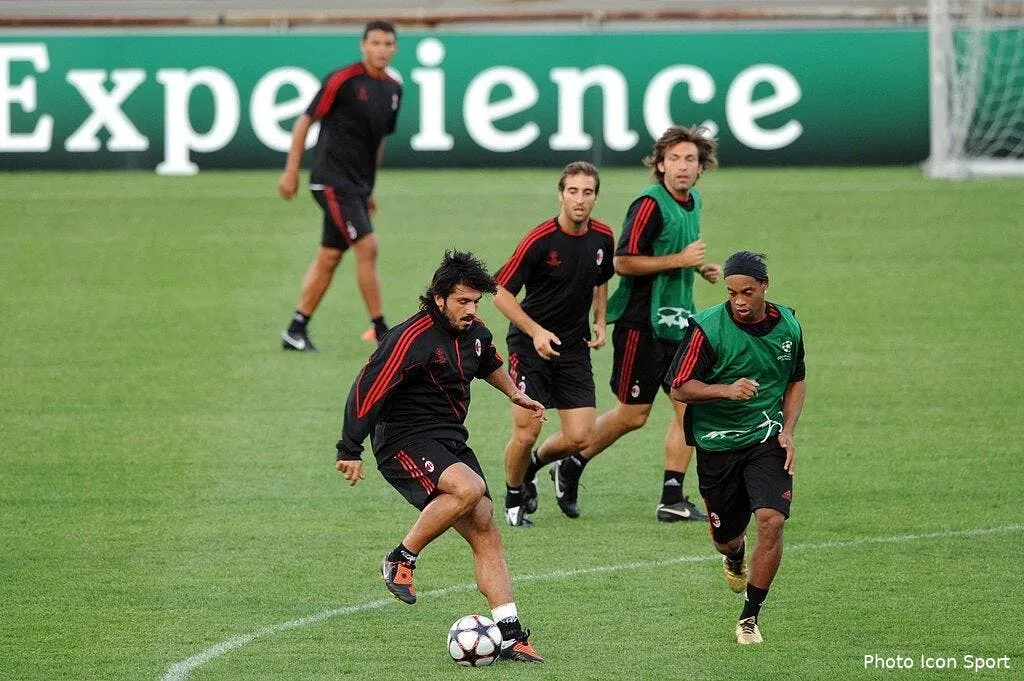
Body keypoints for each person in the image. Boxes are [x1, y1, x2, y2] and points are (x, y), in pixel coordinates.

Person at [335, 250, 546, 663]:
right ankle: (401, 558)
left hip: (449, 439)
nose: (471, 310)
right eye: (463, 301)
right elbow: (366, 389)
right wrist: (350, 448)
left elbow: (488, 364)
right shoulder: (408, 339)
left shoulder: (477, 333)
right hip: (403, 440)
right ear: (439, 299)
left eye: (476, 302)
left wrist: (517, 394)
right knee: (470, 487)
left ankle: (510, 634)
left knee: (485, 525)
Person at [525, 125, 721, 522]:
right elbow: (623, 261)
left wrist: (698, 267)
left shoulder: (692, 201)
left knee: (690, 407)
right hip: (640, 324)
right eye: (675, 158)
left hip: (680, 322)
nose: (683, 167)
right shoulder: (648, 204)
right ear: (660, 163)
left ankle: (671, 497)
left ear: (701, 168)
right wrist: (680, 261)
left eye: (691, 160)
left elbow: (674, 249)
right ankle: (558, 462)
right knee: (633, 414)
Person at [668, 251, 805, 645]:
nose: (740, 301)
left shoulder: (789, 325)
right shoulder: (707, 329)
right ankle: (734, 554)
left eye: (748, 291)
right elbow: (679, 386)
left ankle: (749, 617)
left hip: (767, 438)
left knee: (772, 520)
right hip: (717, 444)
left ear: (765, 286)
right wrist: (725, 390)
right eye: (732, 293)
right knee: (726, 538)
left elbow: (797, 378)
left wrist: (788, 429)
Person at [493, 162, 615, 528]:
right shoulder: (540, 240)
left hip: (572, 347)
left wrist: (598, 319)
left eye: (588, 192)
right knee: (528, 429)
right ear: (561, 194)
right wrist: (535, 332)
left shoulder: (603, 238)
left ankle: (531, 467)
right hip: (529, 346)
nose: (580, 199)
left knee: (581, 435)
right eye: (573, 191)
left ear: (595, 196)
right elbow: (499, 292)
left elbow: (601, 279)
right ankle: (514, 496)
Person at [278, 20, 402, 351]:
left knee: (330, 256)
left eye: (388, 44)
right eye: (375, 43)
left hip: (355, 188)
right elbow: (304, 122)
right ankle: (381, 330)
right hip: (330, 180)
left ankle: (296, 328)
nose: (381, 49)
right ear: (363, 46)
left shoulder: (392, 89)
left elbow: (377, 141)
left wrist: (369, 190)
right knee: (368, 246)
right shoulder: (343, 80)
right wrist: (291, 171)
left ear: (395, 48)